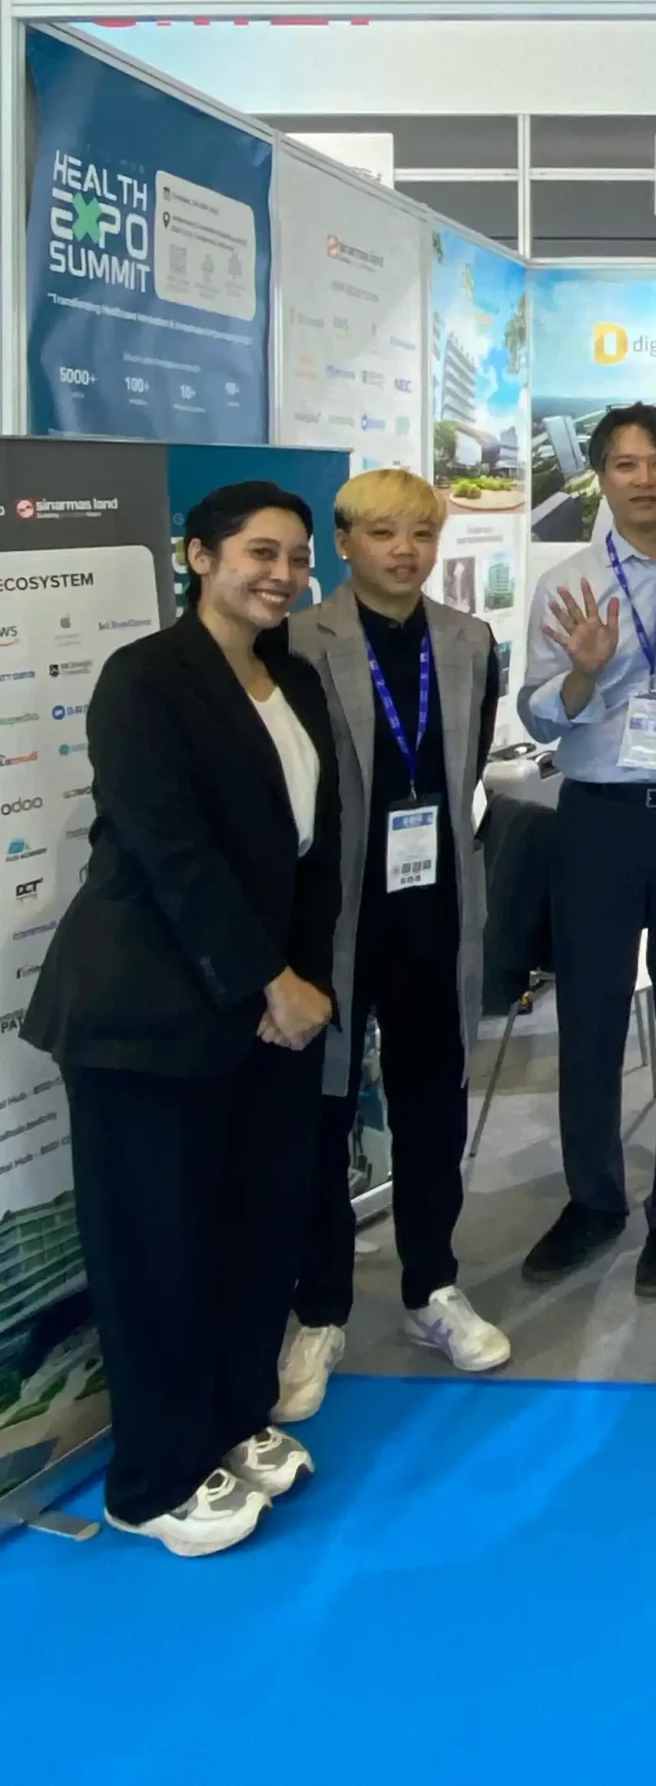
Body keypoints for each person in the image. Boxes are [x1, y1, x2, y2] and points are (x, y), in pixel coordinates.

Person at [22, 484, 340, 1558]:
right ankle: (152, 1479)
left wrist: (302, 984)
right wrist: (270, 980)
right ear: (199, 556)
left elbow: (314, 849)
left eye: (297, 556)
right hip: (148, 1012)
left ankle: (232, 1422)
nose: (282, 574)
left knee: (253, 1233)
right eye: (260, 552)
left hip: (272, 1014)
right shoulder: (146, 677)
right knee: (156, 1249)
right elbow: (170, 849)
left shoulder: (292, 677)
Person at [275, 469, 509, 1425]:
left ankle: (431, 1286)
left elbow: (465, 765)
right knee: (322, 1111)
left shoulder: (469, 640)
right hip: (333, 914)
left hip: (436, 907)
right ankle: (320, 1308)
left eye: (420, 532)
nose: (405, 551)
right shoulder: (295, 640)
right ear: (343, 543)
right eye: (382, 533)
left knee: (431, 1103)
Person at [517, 402, 656, 1298]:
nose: (643, 480)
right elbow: (536, 717)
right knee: (591, 1019)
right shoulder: (568, 582)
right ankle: (594, 1200)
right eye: (624, 464)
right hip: (597, 817)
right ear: (600, 476)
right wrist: (584, 674)